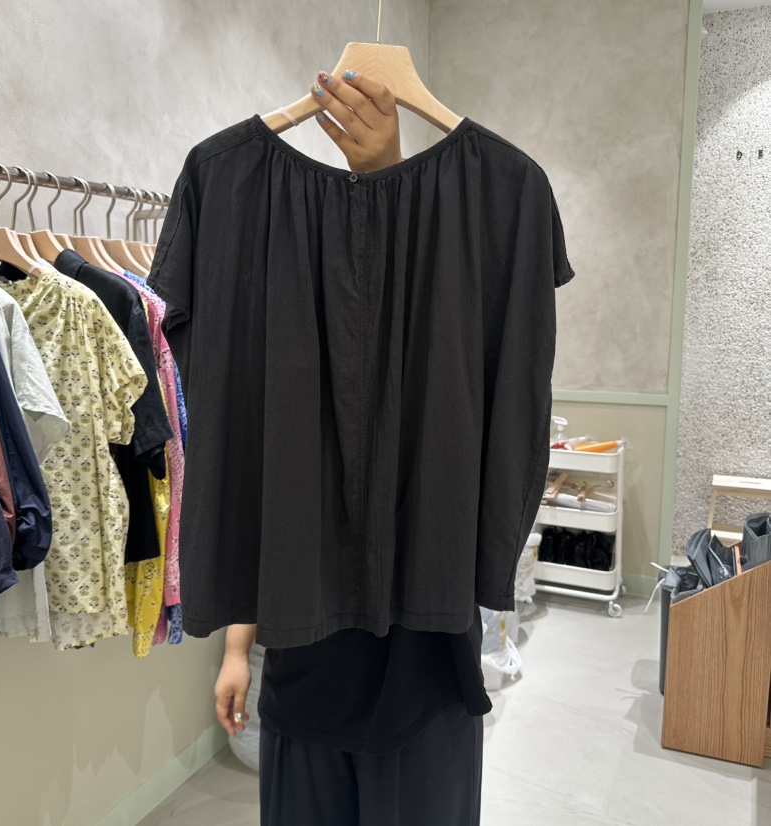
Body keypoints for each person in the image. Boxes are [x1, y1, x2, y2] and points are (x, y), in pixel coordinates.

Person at [214, 71, 491, 826]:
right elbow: (260, 489)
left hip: (427, 676)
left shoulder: (451, 279)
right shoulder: (282, 291)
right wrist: (237, 649)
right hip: (306, 672)